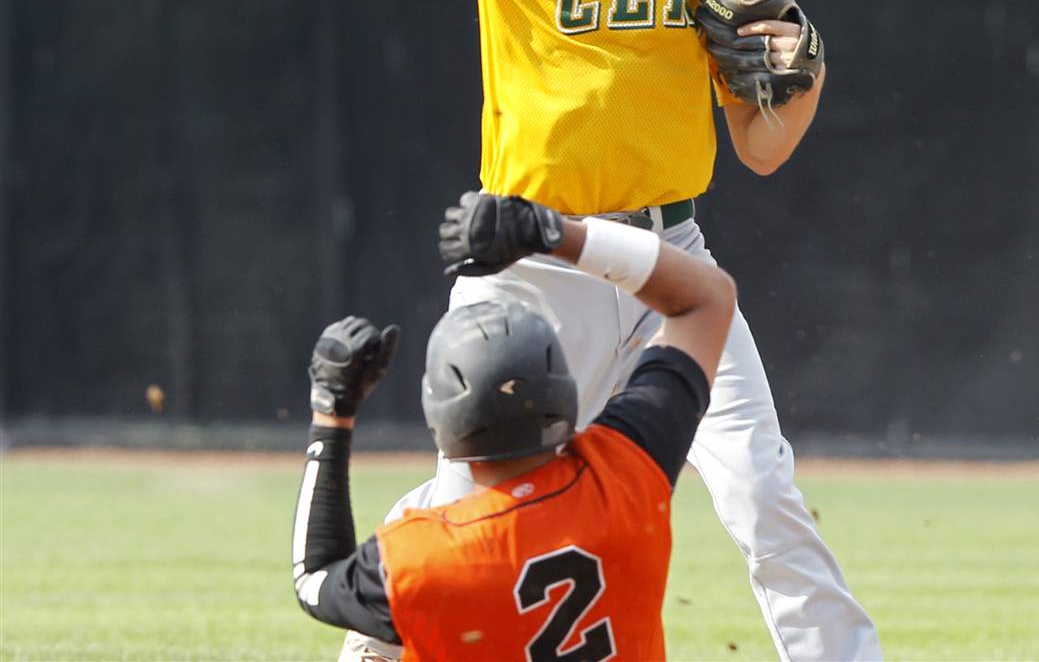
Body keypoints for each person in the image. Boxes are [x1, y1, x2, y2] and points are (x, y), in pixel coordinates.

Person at [361, 0, 881, 660]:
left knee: (762, 491)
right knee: (468, 500)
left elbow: (762, 146)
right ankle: (374, 642)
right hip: (529, 254)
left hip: (666, 262)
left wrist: (809, 70)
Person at [292, 190, 737, 661]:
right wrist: (556, 233)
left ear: (441, 421)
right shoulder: (624, 478)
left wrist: (332, 413)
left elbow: (314, 579)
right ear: (564, 396)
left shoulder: (422, 557)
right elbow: (707, 297)